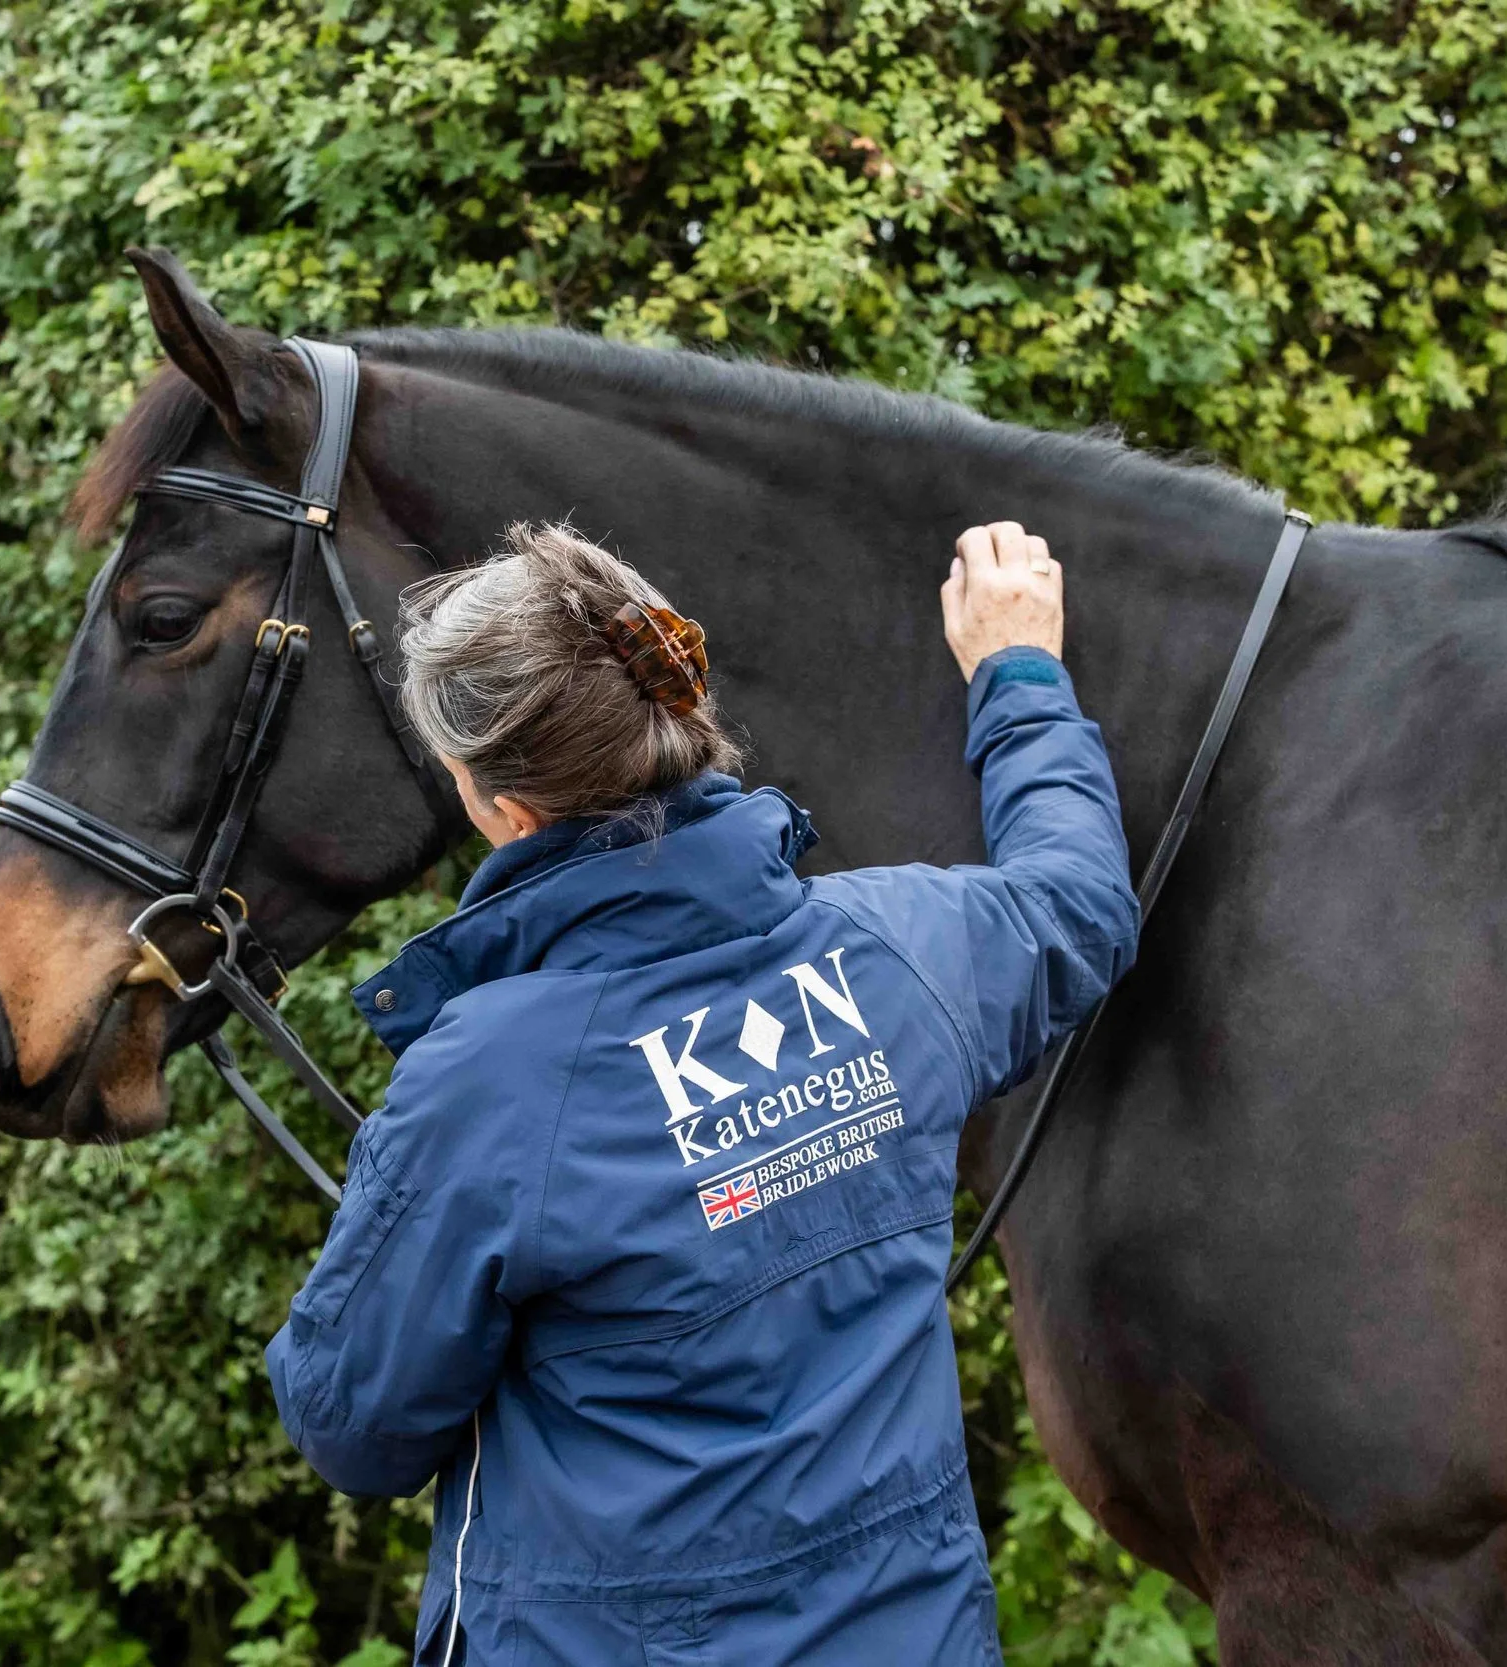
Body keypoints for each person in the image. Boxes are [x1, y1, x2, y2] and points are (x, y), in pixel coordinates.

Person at [264, 519, 1138, 1665]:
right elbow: (1076, 901)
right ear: (673, 717)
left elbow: (352, 1426)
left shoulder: (480, 1088)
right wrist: (1018, 672)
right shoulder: (902, 953)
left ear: (498, 806)